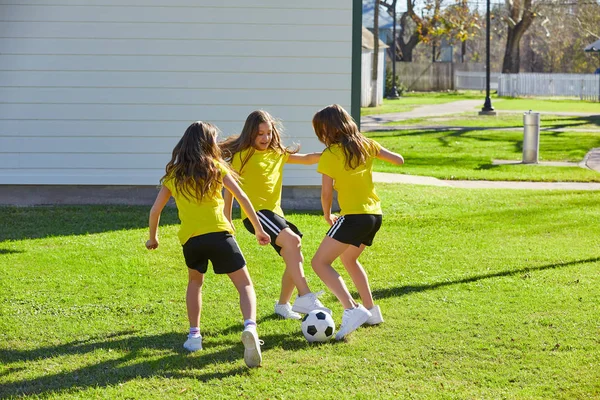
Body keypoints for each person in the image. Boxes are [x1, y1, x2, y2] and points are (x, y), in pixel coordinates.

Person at [145, 121, 270, 368]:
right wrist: (259, 229)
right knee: (244, 284)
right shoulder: (216, 168)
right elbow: (242, 198)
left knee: (195, 283)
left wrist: (153, 237)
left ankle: (194, 335)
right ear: (209, 144)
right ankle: (250, 327)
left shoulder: (174, 175)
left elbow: (155, 210)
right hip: (220, 235)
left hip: (191, 240)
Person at [220, 110, 331, 320]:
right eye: (260, 134)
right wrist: (227, 218)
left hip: (274, 214)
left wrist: (334, 153)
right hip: (256, 214)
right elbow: (230, 189)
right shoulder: (242, 156)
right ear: (250, 133)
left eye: (268, 133)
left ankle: (282, 305)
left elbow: (307, 159)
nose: (265, 138)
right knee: (293, 241)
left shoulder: (277, 154)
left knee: (294, 253)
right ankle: (305, 295)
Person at [310, 104, 404, 340]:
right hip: (375, 215)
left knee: (319, 263)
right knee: (349, 258)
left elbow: (326, 192)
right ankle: (372, 311)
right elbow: (398, 160)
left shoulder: (330, 154)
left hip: (353, 216)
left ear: (328, 130)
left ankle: (352, 309)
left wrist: (326, 214)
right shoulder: (366, 144)